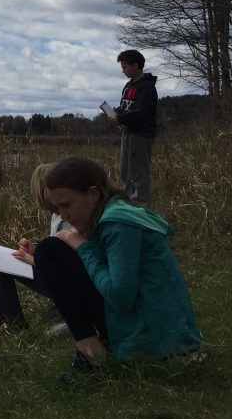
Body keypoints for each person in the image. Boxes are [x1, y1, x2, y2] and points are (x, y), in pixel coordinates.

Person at [42, 156, 202, 368]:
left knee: (49, 250)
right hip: (148, 320)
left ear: (93, 194)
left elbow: (120, 297)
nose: (63, 215)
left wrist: (82, 247)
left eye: (66, 205)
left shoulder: (117, 225)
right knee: (53, 251)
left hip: (153, 334)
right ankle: (95, 347)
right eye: (58, 208)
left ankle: (92, 351)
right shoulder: (115, 211)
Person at [0, 163, 68, 329]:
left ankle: (14, 322)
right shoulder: (57, 214)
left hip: (63, 285)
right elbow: (57, 250)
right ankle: (0, 315)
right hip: (57, 279)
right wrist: (36, 249)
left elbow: (64, 266)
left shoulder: (65, 220)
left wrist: (30, 258)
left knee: (0, 266)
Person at [110, 49, 158, 206]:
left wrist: (120, 118)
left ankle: (141, 205)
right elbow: (126, 107)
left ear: (135, 65)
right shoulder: (129, 85)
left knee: (138, 171)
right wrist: (115, 113)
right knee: (125, 170)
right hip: (127, 132)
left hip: (141, 134)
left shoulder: (147, 87)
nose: (123, 71)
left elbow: (141, 113)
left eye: (125, 67)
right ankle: (131, 202)